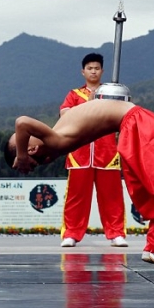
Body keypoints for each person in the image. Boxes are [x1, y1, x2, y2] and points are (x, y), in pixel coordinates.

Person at [3, 99, 154, 280]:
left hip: (132, 123)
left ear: (31, 149)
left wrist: (21, 156)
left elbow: (22, 123)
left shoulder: (56, 138)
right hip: (134, 121)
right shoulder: (58, 137)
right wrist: (24, 156)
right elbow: (25, 127)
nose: (41, 163)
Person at [58, 53, 127, 248]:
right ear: (83, 71)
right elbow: (65, 113)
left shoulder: (110, 93)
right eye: (90, 68)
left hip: (107, 153)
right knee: (76, 197)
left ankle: (116, 234)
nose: (93, 71)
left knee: (112, 196)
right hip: (79, 153)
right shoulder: (74, 95)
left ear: (102, 71)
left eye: (97, 68)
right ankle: (71, 234)